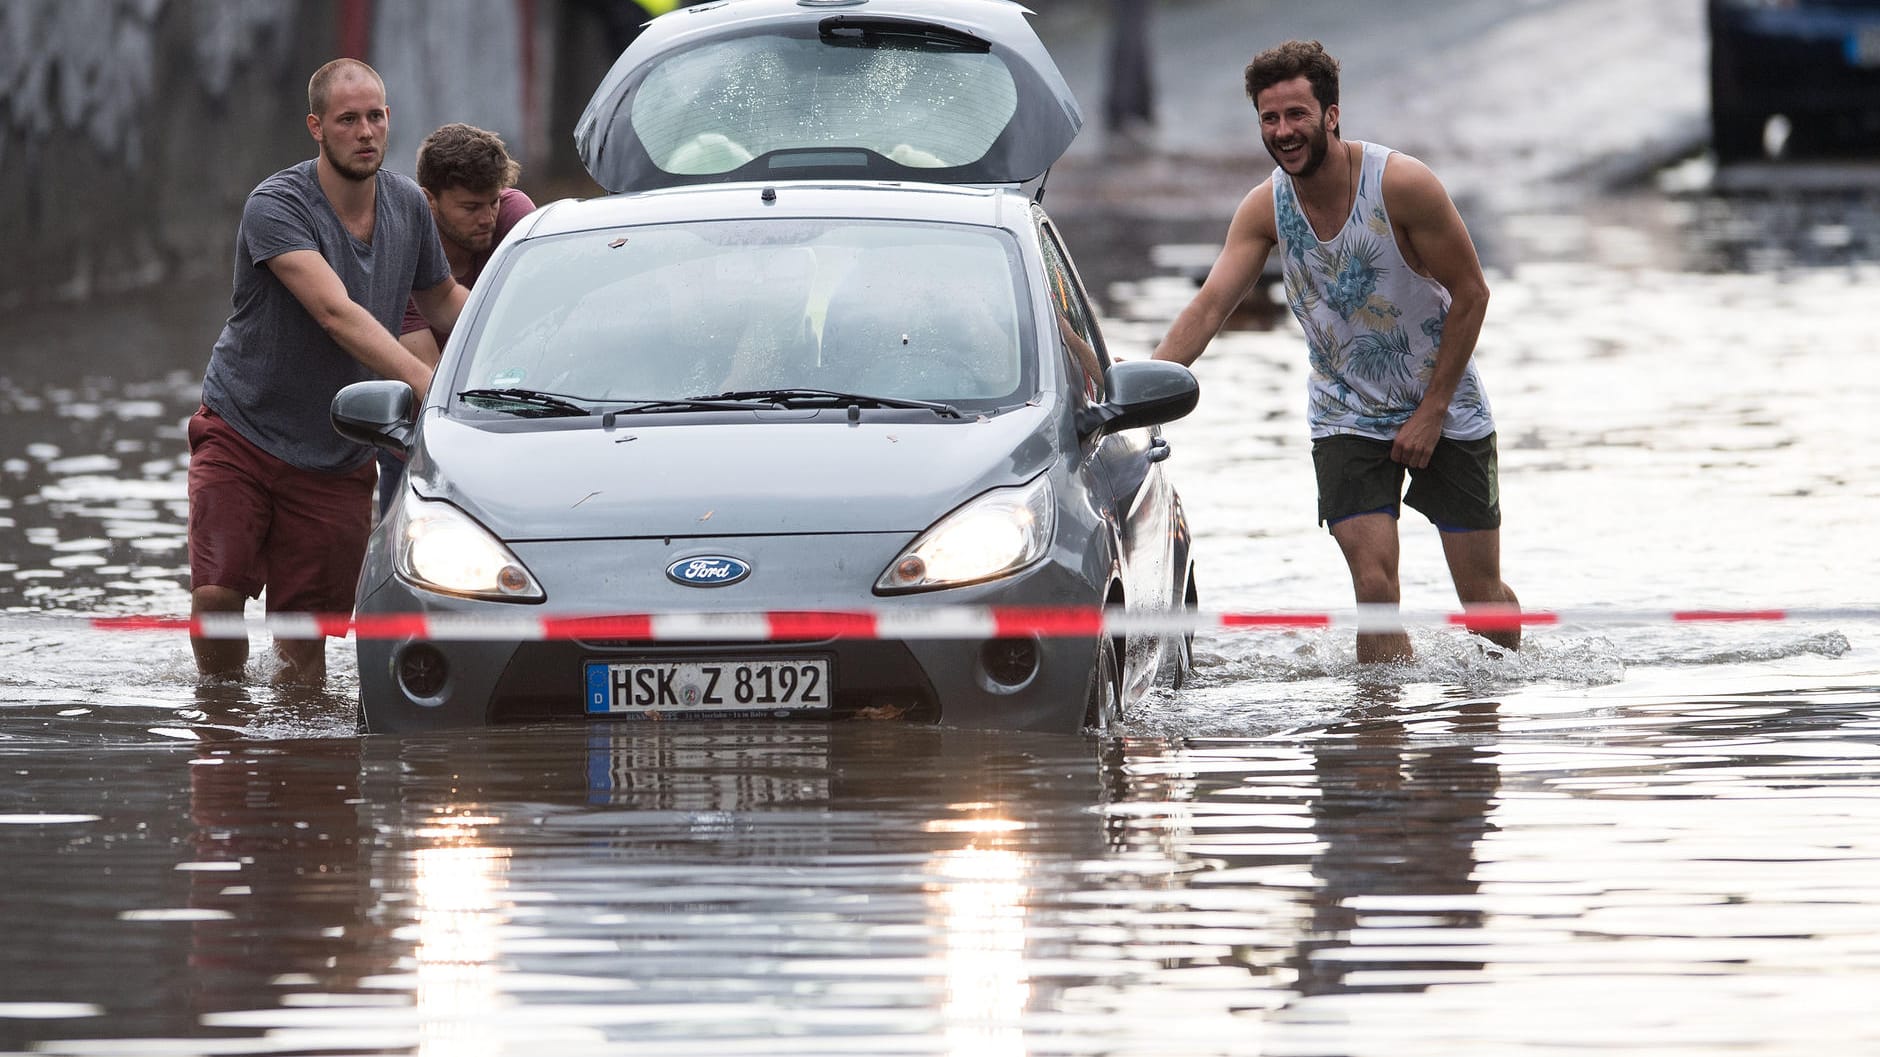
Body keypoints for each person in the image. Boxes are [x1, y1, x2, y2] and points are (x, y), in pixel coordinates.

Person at [1152, 40, 1519, 662]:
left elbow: (1472, 294)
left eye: (1297, 114)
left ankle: (1489, 723)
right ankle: (1380, 735)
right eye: (1270, 118)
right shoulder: (1266, 206)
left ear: (1332, 114)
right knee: (1374, 590)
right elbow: (1211, 306)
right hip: (1345, 411)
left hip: (1445, 407)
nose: (1283, 131)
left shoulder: (1402, 184)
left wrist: (1430, 413)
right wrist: (1142, 390)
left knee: (1479, 594)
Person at [188, 58, 467, 685]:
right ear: (317, 127)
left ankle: (299, 766)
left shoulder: (407, 204)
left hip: (337, 458)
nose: (365, 131)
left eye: (375, 116)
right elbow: (336, 312)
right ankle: (221, 722)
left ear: (389, 120)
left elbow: (444, 297)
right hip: (243, 432)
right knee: (216, 599)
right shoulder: (276, 205)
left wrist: (522, 329)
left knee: (304, 647)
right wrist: (431, 385)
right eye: (348, 120)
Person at [380, 123, 537, 512]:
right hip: (417, 434)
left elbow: (546, 326)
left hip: (517, 420)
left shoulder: (515, 218)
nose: (487, 218)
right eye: (470, 207)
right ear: (429, 201)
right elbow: (428, 383)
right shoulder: (403, 248)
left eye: (493, 202)